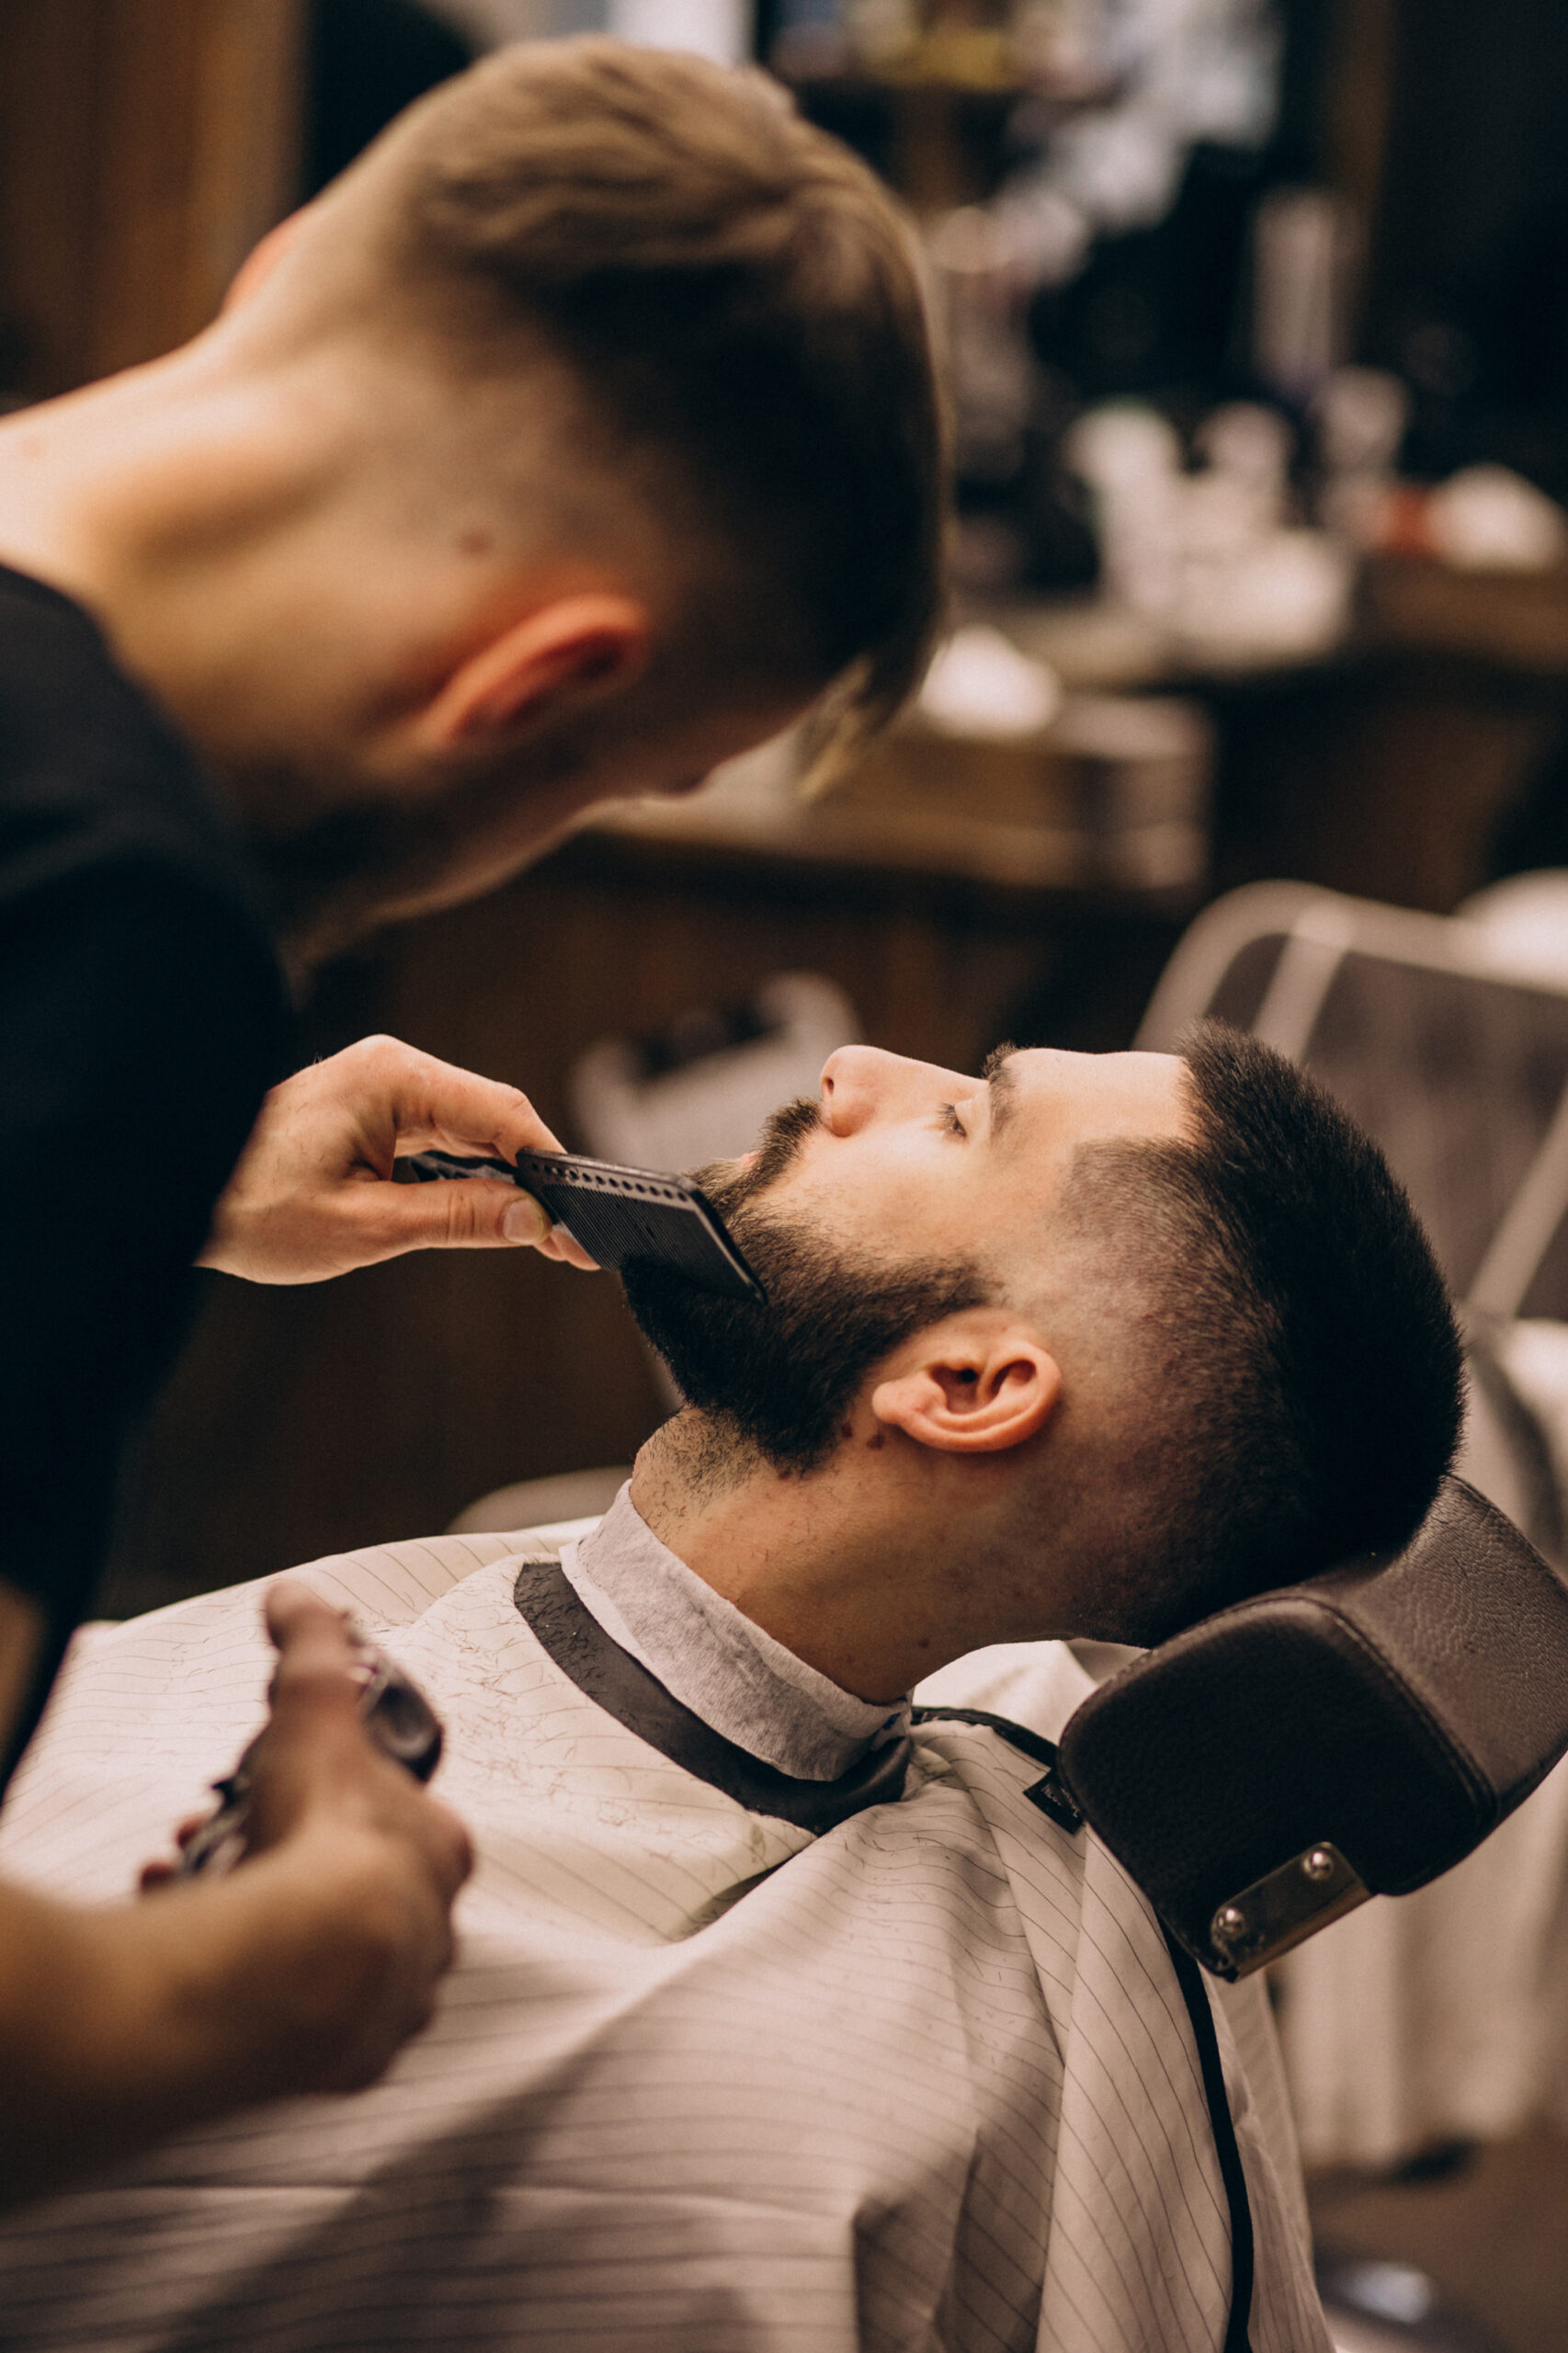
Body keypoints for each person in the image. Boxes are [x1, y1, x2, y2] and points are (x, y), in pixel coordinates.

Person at [0, 38, 941, 2197]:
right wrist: (296, 1960)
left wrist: (138, 1181)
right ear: (527, 689)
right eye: (601, 784)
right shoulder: (107, 926)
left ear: (289, 262)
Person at [0, 1027, 1463, 2347]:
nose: (847, 1066)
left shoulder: (691, 2072)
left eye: (962, 1120)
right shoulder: (1025, 1739)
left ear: (963, 1390)